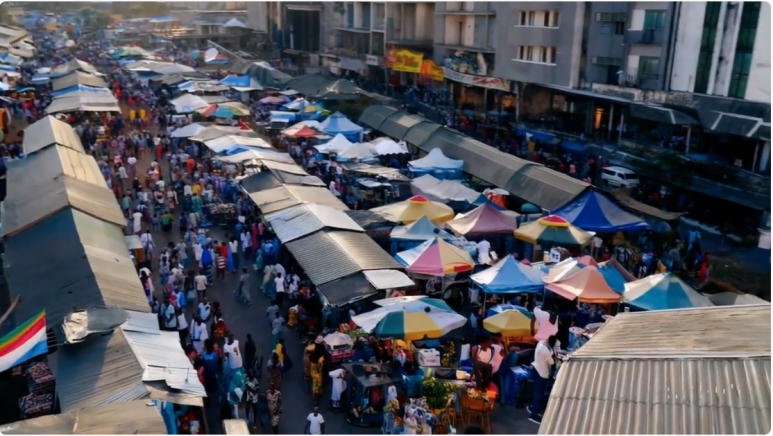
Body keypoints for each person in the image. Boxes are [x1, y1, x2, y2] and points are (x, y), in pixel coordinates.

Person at [528, 335, 557, 424]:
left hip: (535, 369)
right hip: (541, 373)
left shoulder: (541, 343)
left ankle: (533, 409)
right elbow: (552, 362)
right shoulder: (545, 350)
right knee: (539, 395)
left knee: (537, 393)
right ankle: (533, 416)